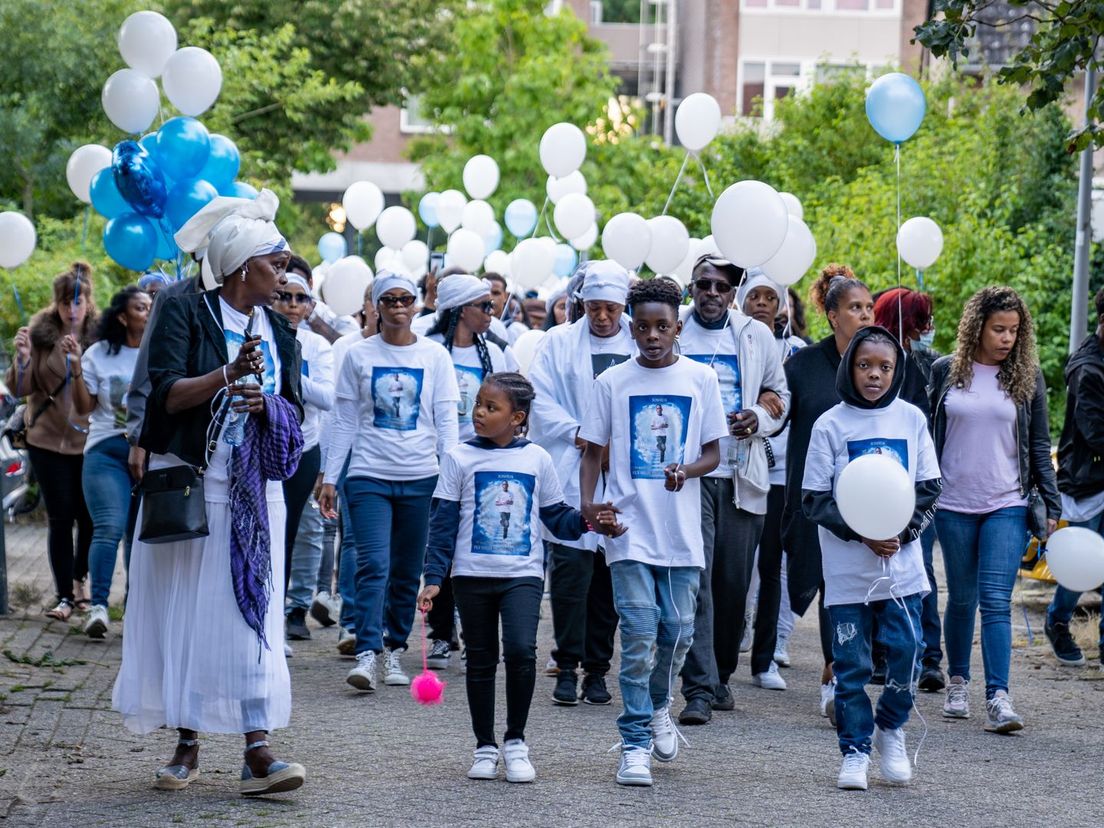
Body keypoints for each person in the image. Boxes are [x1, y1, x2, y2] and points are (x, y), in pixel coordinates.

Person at [113, 189, 308, 796]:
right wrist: (227, 376)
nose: (283, 271)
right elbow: (167, 392)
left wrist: (266, 403)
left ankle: (257, 748)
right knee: (190, 611)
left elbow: (295, 406)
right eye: (273, 262)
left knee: (253, 609)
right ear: (240, 267)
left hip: (257, 494)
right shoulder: (184, 311)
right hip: (199, 485)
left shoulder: (278, 327)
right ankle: (187, 742)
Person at [417, 373, 613, 783]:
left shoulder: (537, 459)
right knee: (481, 659)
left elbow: (556, 516)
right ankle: (484, 746)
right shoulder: (458, 458)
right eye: (478, 405)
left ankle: (516, 741)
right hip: (471, 576)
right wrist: (435, 576)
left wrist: (588, 522)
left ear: (517, 417)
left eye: (492, 407)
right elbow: (442, 523)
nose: (480, 413)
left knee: (523, 651)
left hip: (521, 575)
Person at [579, 277, 726, 787]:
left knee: (679, 632)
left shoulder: (700, 379)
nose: (652, 336)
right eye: (642, 327)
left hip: (681, 531)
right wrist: (589, 505)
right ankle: (635, 740)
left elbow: (714, 451)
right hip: (628, 528)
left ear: (677, 327)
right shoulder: (612, 382)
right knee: (640, 634)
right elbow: (593, 450)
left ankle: (660, 704)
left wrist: (687, 470)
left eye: (662, 326)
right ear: (630, 328)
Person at [802, 326, 941, 790]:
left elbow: (929, 487)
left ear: (897, 369)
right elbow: (814, 498)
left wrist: (900, 532)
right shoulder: (830, 425)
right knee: (852, 664)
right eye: (865, 366)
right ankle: (855, 750)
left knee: (907, 652)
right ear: (850, 368)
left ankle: (891, 728)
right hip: (847, 573)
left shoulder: (911, 420)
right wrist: (861, 532)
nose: (875, 375)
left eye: (884, 367)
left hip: (901, 570)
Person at [318, 271, 460, 692]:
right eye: (390, 300)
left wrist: (450, 477)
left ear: (417, 305)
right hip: (367, 475)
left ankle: (395, 650)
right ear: (375, 306)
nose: (398, 306)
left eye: (406, 299)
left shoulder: (435, 357)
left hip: (421, 477)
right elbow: (343, 420)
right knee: (372, 565)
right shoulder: (358, 355)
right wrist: (330, 475)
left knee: (405, 571)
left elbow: (447, 422)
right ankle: (367, 652)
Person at [930, 286, 1060, 732]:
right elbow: (929, 436)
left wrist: (1053, 507)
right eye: (998, 329)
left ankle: (999, 697)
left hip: (1007, 501)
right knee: (962, 599)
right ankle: (958, 682)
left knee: (996, 602)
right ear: (977, 327)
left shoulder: (1027, 377)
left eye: (1014, 330)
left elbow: (1039, 446)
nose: (1007, 338)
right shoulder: (946, 372)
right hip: (952, 503)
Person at [675, 258, 791, 727]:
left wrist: (756, 417)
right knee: (694, 578)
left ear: (733, 291)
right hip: (688, 475)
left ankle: (720, 672)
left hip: (742, 473)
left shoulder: (754, 336)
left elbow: (777, 396)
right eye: (703, 284)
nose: (711, 292)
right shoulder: (674, 328)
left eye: (721, 286)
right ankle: (698, 688)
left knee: (731, 584)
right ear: (691, 288)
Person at [529, 261, 634, 707]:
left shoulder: (640, 337)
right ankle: (566, 665)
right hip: (573, 467)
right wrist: (582, 434)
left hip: (623, 471)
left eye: (611, 308)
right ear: (581, 304)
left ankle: (597, 669)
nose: (603, 317)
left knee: (608, 580)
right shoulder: (557, 342)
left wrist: (618, 443)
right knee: (571, 576)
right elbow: (539, 398)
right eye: (594, 308)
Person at [783, 265, 876, 720]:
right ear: (832, 315)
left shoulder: (879, 363)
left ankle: (845, 670)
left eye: (869, 307)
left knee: (859, 587)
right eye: (855, 307)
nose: (865, 314)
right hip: (816, 496)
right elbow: (778, 419)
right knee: (828, 584)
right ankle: (835, 673)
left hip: (870, 494)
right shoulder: (801, 365)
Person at [423, 273, 519, 666]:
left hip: (483, 463)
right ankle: (441, 633)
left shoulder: (496, 353)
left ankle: (474, 633)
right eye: (484, 306)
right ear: (461, 310)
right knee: (441, 545)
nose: (491, 312)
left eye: (492, 305)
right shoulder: (429, 349)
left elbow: (516, 397)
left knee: (471, 547)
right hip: (434, 461)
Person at [5, 262, 96, 620]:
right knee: (60, 517)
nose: (71, 310)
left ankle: (80, 581)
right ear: (56, 305)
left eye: (78, 303)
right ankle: (64, 596)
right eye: (64, 304)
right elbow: (19, 389)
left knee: (89, 518)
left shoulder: (101, 339)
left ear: (88, 303)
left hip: (90, 441)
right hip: (47, 441)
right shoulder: (42, 337)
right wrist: (23, 360)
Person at [874, 287, 945, 691]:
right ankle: (883, 652)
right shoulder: (875, 361)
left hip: (917, 478)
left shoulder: (930, 365)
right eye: (921, 321)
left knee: (921, 569)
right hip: (876, 478)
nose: (928, 329)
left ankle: (929, 655)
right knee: (878, 564)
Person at [71, 286, 151, 637]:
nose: (148, 312)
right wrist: (75, 368)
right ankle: (98, 607)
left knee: (141, 536)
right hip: (106, 450)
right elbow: (83, 409)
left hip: (151, 454)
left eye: (151, 307)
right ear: (123, 316)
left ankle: (136, 609)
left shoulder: (161, 352)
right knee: (110, 526)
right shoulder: (98, 355)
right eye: (140, 307)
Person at [736, 270, 804, 682]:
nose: (761, 302)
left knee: (774, 566)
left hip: (781, 473)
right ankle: (731, 634)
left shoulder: (797, 352)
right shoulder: (729, 342)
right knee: (737, 565)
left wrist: (776, 392)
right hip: (736, 469)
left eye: (769, 296)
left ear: (781, 305)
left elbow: (795, 403)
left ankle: (769, 649)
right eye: (754, 295)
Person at [271, 268, 334, 643]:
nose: (292, 305)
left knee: (294, 532)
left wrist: (291, 369)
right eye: (285, 297)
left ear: (310, 305)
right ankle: (266, 611)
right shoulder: (259, 334)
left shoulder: (317, 346)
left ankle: (291, 611)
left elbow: (326, 397)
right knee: (270, 532)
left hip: (304, 447)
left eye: (301, 299)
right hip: (263, 446)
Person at [1046, 287, 1104, 667]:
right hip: (1087, 479)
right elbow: (1093, 431)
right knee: (1080, 564)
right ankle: (1058, 621)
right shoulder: (1087, 369)